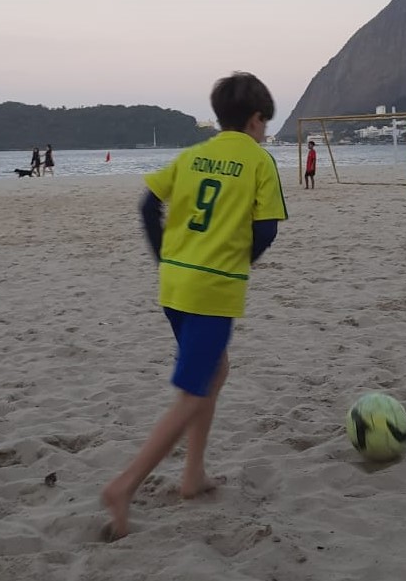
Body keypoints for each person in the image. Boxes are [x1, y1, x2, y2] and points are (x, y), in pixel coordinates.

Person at [101, 72, 288, 541]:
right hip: (213, 288)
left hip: (175, 285)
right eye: (265, 122)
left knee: (215, 371)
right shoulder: (259, 161)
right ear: (255, 119)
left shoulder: (191, 155)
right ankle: (124, 485)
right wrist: (233, 258)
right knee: (194, 390)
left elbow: (148, 207)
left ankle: (193, 475)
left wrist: (166, 255)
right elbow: (266, 231)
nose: (264, 131)